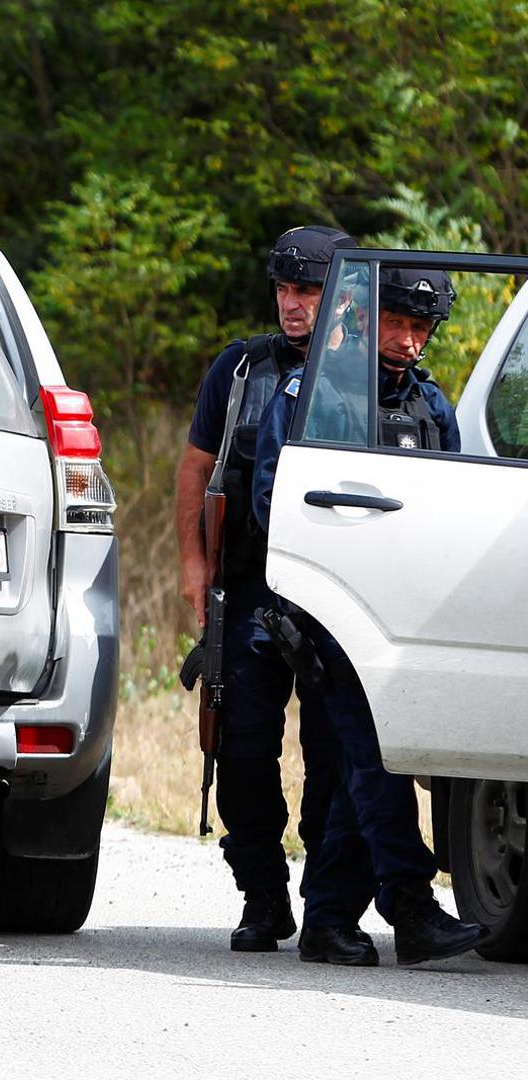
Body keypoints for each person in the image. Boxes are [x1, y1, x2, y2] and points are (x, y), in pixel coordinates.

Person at [251, 264, 482, 966]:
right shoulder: (310, 395)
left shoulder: (430, 406)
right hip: (334, 615)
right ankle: (410, 908)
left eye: (421, 327)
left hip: (404, 618)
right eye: (398, 323)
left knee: (365, 767)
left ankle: (326, 920)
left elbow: (454, 507)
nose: (410, 341)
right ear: (364, 316)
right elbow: (274, 502)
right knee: (378, 764)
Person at [175, 225, 380, 962]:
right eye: (285, 289)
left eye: (310, 290)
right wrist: (193, 567)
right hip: (248, 589)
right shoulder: (240, 370)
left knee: (337, 759)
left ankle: (331, 911)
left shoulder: (372, 374)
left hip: (338, 602)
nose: (294, 305)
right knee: (243, 753)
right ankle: (263, 896)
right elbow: (196, 468)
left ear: (342, 295)